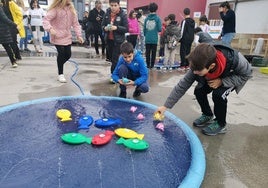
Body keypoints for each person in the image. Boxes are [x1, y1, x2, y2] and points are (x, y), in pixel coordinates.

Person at [155, 43, 252, 136]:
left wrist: (222, 81)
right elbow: (182, 85)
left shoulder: (236, 60)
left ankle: (220, 123)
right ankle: (207, 114)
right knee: (199, 90)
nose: (194, 72)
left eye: (197, 70)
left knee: (218, 95)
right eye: (193, 69)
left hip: (230, 77)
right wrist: (165, 106)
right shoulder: (198, 65)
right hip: (211, 76)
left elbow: (247, 75)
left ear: (212, 66)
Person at [43, 0, 83, 83]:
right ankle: (60, 74)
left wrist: (79, 35)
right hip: (57, 36)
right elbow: (46, 20)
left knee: (68, 55)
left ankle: (59, 64)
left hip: (67, 36)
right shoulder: (55, 9)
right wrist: (50, 29)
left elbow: (76, 24)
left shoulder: (71, 10)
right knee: (61, 53)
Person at [102, 0, 128, 77]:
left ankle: (114, 76)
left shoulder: (123, 15)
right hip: (109, 40)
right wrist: (105, 28)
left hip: (118, 41)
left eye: (115, 5)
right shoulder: (107, 14)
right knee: (110, 58)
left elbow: (126, 28)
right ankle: (118, 72)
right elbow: (102, 25)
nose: (113, 7)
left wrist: (116, 27)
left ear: (119, 5)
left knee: (114, 59)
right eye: (112, 5)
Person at [143, 2, 162, 69]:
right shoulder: (158, 18)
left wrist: (146, 35)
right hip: (154, 39)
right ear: (156, 9)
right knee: (153, 53)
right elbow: (160, 29)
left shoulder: (146, 19)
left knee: (147, 53)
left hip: (147, 38)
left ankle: (148, 65)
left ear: (149, 9)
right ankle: (152, 66)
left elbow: (144, 29)